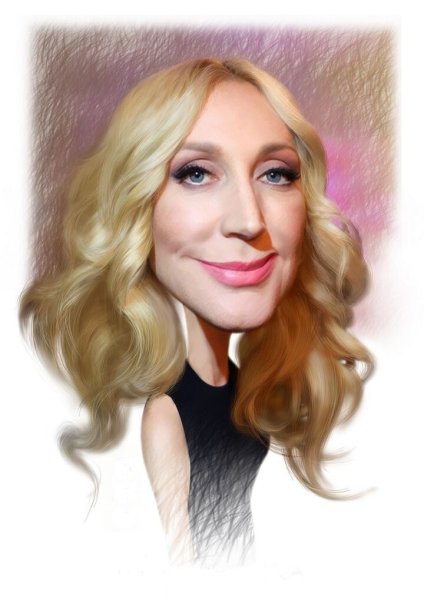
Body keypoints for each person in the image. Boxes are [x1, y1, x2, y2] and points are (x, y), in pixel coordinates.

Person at [20, 57, 373, 567]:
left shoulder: (244, 387)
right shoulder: (160, 412)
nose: (249, 220)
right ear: (136, 206)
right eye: (196, 174)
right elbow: (184, 562)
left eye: (276, 174)